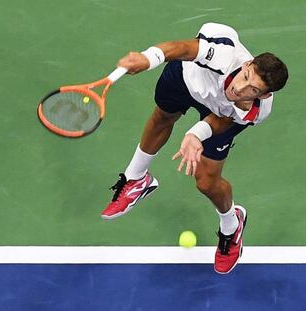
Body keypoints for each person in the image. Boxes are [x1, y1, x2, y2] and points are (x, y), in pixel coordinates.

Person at [101, 22, 289, 274]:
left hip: (218, 113)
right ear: (246, 65)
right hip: (187, 80)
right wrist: (148, 59)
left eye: (252, 90)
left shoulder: (255, 109)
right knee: (162, 118)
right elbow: (180, 48)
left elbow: (221, 120)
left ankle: (231, 226)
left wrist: (194, 134)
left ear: (263, 95)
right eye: (245, 77)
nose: (239, 89)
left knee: (206, 183)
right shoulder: (223, 55)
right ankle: (136, 179)